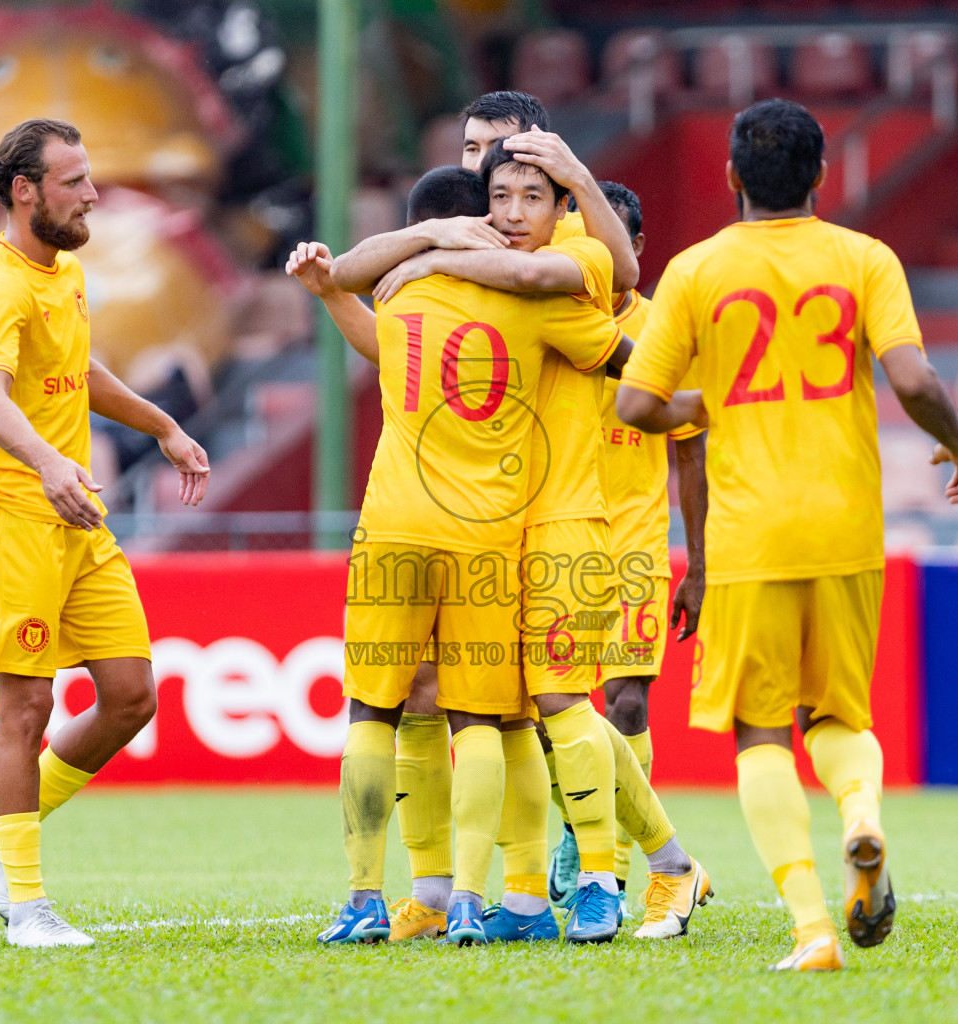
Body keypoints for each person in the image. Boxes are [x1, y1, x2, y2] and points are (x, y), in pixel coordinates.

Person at [617, 98, 958, 971]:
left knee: (759, 731)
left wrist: (713, 400)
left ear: (732, 176)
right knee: (839, 713)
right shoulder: (864, 258)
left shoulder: (698, 270)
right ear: (822, 175)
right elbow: (914, 378)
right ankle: (861, 816)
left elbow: (636, 403)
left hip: (748, 535)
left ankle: (815, 930)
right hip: (847, 526)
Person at [316, 164, 634, 945]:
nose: (514, 212)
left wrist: (388, 266)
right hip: (487, 535)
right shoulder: (536, 300)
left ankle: (366, 898)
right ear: (483, 215)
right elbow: (629, 358)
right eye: (501, 197)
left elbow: (360, 304)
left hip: (391, 524)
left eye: (528, 195)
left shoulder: (400, 295)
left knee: (373, 712)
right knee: (483, 719)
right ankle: (468, 895)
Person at [0, 118, 210, 948]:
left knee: (133, 695)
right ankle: (26, 906)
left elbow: (79, 368)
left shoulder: (62, 271)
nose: (93, 194)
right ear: (25, 191)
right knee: (26, 705)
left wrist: (163, 424)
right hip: (14, 521)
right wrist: (50, 466)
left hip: (76, 518)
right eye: (75, 182)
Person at [546, 181, 708, 908]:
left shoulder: (666, 336)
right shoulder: (551, 322)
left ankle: (601, 857)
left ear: (634, 248)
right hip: (555, 536)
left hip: (637, 545)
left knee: (627, 704)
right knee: (553, 707)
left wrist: (699, 563)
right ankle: (592, 832)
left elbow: (691, 453)